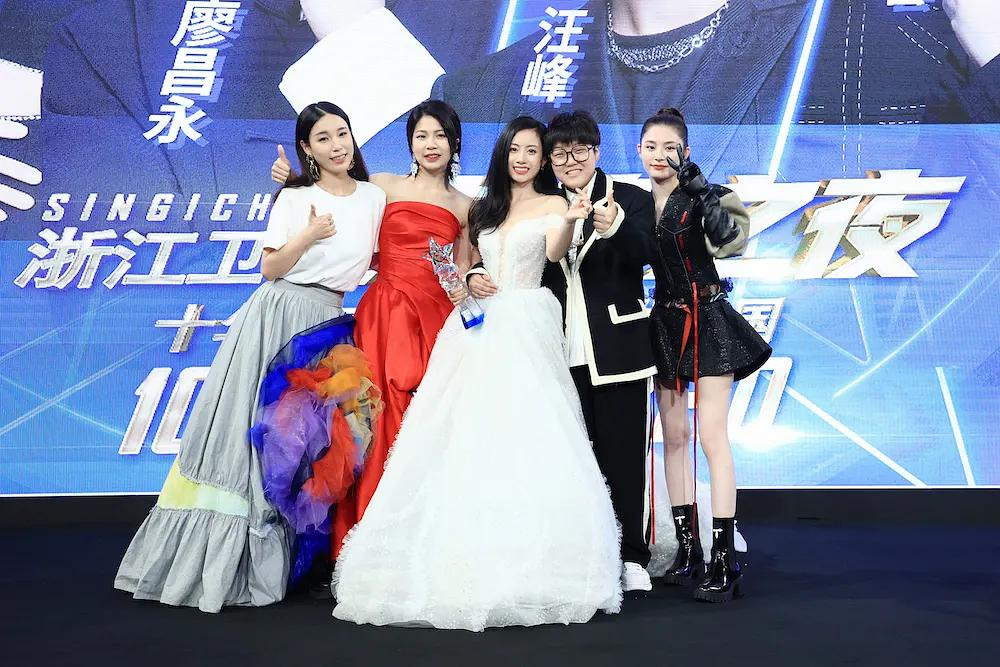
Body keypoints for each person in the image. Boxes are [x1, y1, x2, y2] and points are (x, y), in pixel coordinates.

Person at [331, 116, 622, 631]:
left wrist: (574, 218)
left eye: (532, 151)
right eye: (515, 149)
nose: (522, 159)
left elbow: (554, 252)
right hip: (476, 325)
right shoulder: (483, 208)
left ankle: (533, 557)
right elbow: (461, 263)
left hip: (526, 324)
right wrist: (472, 275)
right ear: (502, 153)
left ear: (542, 159)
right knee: (462, 433)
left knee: (528, 435)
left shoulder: (553, 205)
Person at [114, 102, 386, 613]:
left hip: (328, 324)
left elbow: (375, 254)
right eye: (323, 138)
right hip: (278, 316)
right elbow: (270, 268)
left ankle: (300, 559)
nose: (337, 145)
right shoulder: (295, 198)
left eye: (342, 134)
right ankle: (233, 558)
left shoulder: (374, 196)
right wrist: (308, 233)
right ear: (307, 148)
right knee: (255, 433)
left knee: (313, 443)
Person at [272, 100, 472, 595]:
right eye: (422, 136)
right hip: (384, 314)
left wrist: (472, 292)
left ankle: (417, 543)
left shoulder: (467, 206)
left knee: (423, 420)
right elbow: (336, 196)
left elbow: (461, 271)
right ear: (410, 143)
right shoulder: (382, 186)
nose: (431, 145)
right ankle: (358, 543)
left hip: (435, 318)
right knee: (367, 422)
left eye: (440, 136)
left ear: (454, 143)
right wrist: (290, 181)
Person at [470, 110, 658, 593]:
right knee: (572, 459)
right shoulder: (547, 204)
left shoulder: (630, 198)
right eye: (559, 154)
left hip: (616, 348)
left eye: (580, 151)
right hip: (553, 349)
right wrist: (474, 274)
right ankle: (584, 554)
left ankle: (631, 555)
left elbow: (649, 254)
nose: (570, 161)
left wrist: (614, 226)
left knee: (623, 455)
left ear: (596, 151)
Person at [640, 107, 771, 602]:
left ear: (686, 152)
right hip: (664, 323)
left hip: (709, 319)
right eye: (651, 147)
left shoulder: (707, 194)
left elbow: (731, 242)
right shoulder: (633, 203)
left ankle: (724, 557)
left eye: (669, 148)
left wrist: (703, 196)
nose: (659, 155)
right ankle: (687, 548)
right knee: (674, 438)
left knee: (712, 437)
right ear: (639, 150)